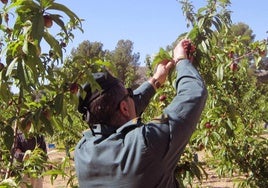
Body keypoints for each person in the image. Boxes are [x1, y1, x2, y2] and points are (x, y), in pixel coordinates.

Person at [74, 39, 208, 188]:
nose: (133, 97)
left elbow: (119, 113)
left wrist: (155, 81)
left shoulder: (82, 151)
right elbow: (193, 93)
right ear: (124, 108)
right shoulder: (147, 143)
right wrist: (182, 61)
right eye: (129, 94)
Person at [14, 118, 47, 188]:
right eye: (22, 124)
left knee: (37, 185)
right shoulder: (18, 136)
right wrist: (24, 156)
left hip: (36, 169)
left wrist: (37, 157)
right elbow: (16, 151)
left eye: (27, 123)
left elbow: (44, 153)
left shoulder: (39, 136)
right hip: (23, 170)